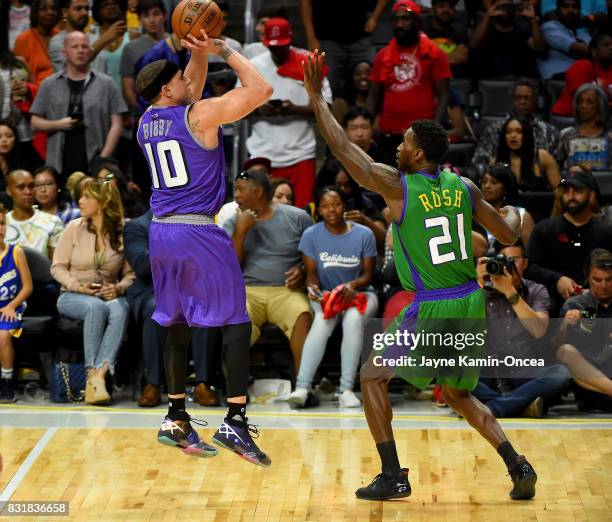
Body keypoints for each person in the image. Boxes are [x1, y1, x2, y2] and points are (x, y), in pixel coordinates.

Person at [303, 50, 537, 501]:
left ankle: (392, 474)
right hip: (470, 302)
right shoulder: (465, 187)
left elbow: (344, 150)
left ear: (418, 153)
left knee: (371, 376)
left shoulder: (398, 185)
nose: (397, 146)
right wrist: (514, 209)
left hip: (433, 304)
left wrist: (317, 99)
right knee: (456, 393)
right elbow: (509, 231)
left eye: (403, 142)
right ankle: (516, 463)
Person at [135, 28, 273, 464]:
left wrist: (193, 53)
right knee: (235, 319)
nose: (190, 83)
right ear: (166, 88)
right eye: (181, 79)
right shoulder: (200, 116)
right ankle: (234, 420)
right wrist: (224, 51)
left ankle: (176, 416)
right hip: (199, 231)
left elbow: (189, 85)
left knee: (175, 319)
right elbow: (261, 89)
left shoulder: (144, 123)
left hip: (162, 232)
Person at [287, 186, 378, 408]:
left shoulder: (363, 234)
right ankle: (302, 387)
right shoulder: (311, 235)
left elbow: (368, 275)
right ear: (319, 210)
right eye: (326, 206)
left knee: (353, 320)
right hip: (327, 295)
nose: (332, 210)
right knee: (322, 320)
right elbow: (311, 276)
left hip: (361, 294)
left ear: (344, 205)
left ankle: (346, 389)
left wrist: (352, 285)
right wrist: (313, 290)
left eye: (336, 204)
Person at [123, 210, 222, 407]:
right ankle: (153, 383)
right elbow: (143, 266)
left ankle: (203, 383)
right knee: (157, 307)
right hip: (153, 290)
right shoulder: (138, 226)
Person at [51, 179, 134, 405]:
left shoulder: (122, 231)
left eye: (87, 196)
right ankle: (91, 376)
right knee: (95, 306)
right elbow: (57, 266)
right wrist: (77, 286)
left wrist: (118, 288)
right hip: (72, 295)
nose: (80, 201)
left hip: (106, 294)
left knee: (120, 307)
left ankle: (99, 375)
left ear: (103, 203)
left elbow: (130, 274)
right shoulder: (73, 228)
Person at [223, 170, 314, 375]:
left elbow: (315, 252)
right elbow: (231, 268)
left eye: (241, 190)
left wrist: (301, 271)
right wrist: (240, 232)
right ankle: (235, 389)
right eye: (235, 190)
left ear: (259, 191)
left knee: (302, 315)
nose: (236, 195)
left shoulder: (297, 217)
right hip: (247, 291)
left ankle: (303, 386)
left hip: (286, 291)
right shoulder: (233, 222)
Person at [473, 240, 571, 418]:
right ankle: (521, 406)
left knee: (560, 374)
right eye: (504, 261)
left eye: (514, 261)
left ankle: (493, 406)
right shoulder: (480, 290)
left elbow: (539, 330)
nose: (508, 267)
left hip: (523, 369)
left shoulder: (536, 290)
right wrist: (477, 284)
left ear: (525, 263)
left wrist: (510, 292)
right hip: (487, 370)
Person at [245, 18, 333, 208]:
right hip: (263, 153)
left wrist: (295, 109)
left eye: (282, 46)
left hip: (300, 152)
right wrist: (259, 108)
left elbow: (328, 107)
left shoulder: (307, 61)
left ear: (290, 39)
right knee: (261, 212)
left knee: (302, 211)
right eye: (272, 46)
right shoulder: (252, 65)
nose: (277, 50)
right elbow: (236, 107)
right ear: (264, 42)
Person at [31, 31, 127, 180]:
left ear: (89, 51)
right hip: (59, 164)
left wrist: (102, 159)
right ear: (65, 52)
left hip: (95, 162)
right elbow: (35, 122)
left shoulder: (106, 83)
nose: (80, 50)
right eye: (75, 47)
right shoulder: (49, 84)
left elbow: (117, 124)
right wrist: (59, 124)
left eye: (84, 46)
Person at [368, 1, 451, 159]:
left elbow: (444, 95)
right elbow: (373, 96)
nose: (400, 24)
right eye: (396, 19)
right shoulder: (382, 56)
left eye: (406, 19)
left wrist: (434, 128)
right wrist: (370, 125)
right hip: (388, 135)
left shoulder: (434, 53)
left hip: (421, 136)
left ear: (418, 22)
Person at [526, 169, 612, 315]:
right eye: (566, 190)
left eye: (577, 190)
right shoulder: (545, 229)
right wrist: (557, 280)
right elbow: (529, 267)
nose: (571, 196)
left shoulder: (606, 232)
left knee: (588, 320)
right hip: (552, 298)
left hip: (596, 301)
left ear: (591, 195)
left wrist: (593, 289)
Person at [556, 248, 612, 410]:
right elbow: (556, 351)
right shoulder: (575, 305)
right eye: (597, 279)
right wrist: (563, 327)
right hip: (589, 381)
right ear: (588, 277)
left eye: (609, 280)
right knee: (565, 351)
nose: (603, 285)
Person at [300, 0, 387, 99]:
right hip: (328, 39)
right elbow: (306, 2)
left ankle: (366, 114)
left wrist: (375, 16)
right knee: (328, 89)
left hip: (360, 36)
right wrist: (311, 37)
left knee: (371, 85)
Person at [474, 81, 559, 171]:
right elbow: (479, 160)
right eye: (518, 97)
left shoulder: (549, 132)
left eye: (527, 98)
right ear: (512, 100)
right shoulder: (495, 129)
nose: (522, 102)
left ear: (534, 101)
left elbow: (558, 166)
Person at [0, 204, 33, 403]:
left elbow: (27, 287)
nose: (0, 228)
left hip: (12, 305)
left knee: (3, 335)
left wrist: (12, 305)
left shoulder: (16, 252)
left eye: (2, 223)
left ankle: (7, 382)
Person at [469, 0, 547, 78]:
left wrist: (533, 20)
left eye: (508, 7)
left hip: (520, 80)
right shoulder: (485, 30)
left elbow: (540, 48)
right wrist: (488, 16)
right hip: (490, 81)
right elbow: (473, 45)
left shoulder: (524, 30)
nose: (504, 11)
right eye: (501, 7)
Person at [120, 0, 167, 113]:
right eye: (146, 15)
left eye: (156, 14)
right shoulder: (130, 48)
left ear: (164, 15)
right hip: (145, 115)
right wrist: (143, 114)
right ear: (139, 19)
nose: (152, 20)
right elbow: (128, 89)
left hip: (178, 112)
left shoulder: (178, 44)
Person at [5, 169, 64, 260]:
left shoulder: (52, 222)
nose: (28, 192)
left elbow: (58, 265)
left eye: (32, 186)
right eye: (21, 187)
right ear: (9, 191)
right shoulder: (3, 224)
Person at [493, 116, 561, 190]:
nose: (513, 135)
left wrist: (564, 181)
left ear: (526, 135)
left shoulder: (542, 156)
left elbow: (559, 187)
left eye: (519, 132)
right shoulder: (496, 161)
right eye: (508, 132)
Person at [552, 32, 612, 116]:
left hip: (601, 117)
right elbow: (582, 99)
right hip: (569, 117)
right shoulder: (581, 66)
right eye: (606, 45)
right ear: (594, 51)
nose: (611, 47)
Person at [556, 84, 612, 170]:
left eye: (589, 102)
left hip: (604, 183)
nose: (583, 106)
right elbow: (556, 173)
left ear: (599, 106)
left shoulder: (609, 137)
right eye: (580, 102)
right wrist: (564, 182)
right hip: (572, 182)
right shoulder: (566, 135)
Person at [480, 164, 535, 248]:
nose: (487, 186)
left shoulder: (522, 215)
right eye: (484, 181)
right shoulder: (474, 213)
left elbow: (531, 252)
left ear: (505, 188)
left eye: (494, 182)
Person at [49, 0, 109, 73]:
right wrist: (103, 41)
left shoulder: (96, 39)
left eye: (87, 8)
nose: (84, 13)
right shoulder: (57, 42)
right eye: (78, 8)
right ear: (65, 12)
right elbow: (73, 70)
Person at [538, 0, 591, 80]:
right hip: (555, 83)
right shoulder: (549, 27)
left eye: (574, 7)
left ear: (580, 12)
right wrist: (601, 49)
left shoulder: (584, 35)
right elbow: (576, 47)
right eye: (565, 6)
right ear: (557, 11)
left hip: (581, 82)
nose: (571, 10)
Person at [12, 0, 60, 86]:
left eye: (53, 9)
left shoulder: (61, 36)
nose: (50, 12)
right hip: (35, 94)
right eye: (44, 9)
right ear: (35, 13)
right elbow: (18, 77)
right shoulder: (23, 39)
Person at [422, 0, 470, 77]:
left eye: (450, 7)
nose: (446, 10)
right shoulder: (422, 34)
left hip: (454, 80)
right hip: (428, 80)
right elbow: (420, 61)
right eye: (441, 6)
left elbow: (463, 57)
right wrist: (451, 57)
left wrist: (432, 60)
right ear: (433, 9)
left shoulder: (459, 33)